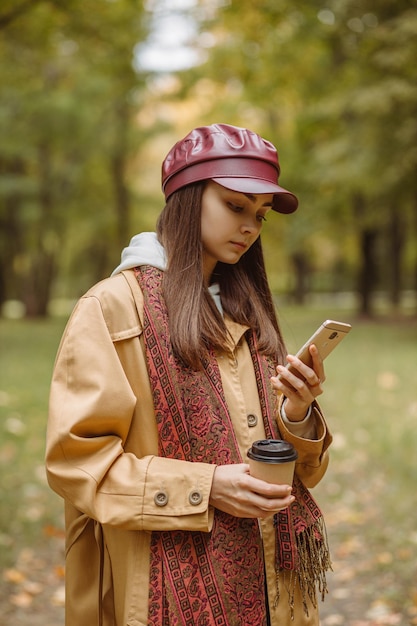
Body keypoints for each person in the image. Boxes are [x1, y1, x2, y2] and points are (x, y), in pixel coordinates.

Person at [46, 123, 333, 626]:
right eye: (235, 206)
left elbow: (301, 475)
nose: (249, 226)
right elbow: (78, 465)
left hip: (267, 589)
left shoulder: (247, 310)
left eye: (261, 216)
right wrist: (206, 487)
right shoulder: (113, 307)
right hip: (160, 589)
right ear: (186, 198)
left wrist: (296, 412)